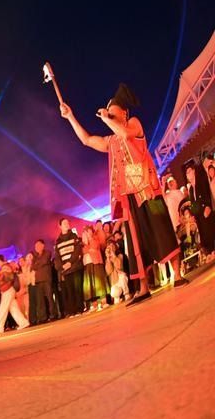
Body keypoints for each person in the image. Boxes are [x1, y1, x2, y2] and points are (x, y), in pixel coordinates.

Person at [60, 84, 186, 302]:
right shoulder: (111, 141)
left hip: (148, 190)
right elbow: (87, 140)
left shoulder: (133, 124)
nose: (109, 114)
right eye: (108, 112)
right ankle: (143, 287)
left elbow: (126, 134)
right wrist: (70, 117)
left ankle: (177, 274)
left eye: (113, 112)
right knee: (136, 242)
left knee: (161, 229)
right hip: (129, 197)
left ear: (124, 113)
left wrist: (106, 119)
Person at [53, 218, 84, 316]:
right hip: (66, 270)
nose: (67, 224)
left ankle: (80, 309)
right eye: (64, 223)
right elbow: (57, 256)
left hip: (75, 267)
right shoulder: (58, 241)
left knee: (78, 289)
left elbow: (77, 250)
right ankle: (73, 311)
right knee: (69, 291)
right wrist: (62, 267)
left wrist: (70, 262)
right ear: (60, 226)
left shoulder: (74, 236)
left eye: (67, 223)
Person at [0, 262, 30, 333]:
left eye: (6, 268)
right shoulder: (3, 273)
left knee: (3, 309)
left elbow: (5, 278)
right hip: (6, 291)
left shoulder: (8, 273)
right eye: (3, 268)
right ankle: (23, 322)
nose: (4, 269)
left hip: (8, 290)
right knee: (13, 309)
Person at [81, 226, 108, 312]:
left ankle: (104, 302)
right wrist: (87, 246)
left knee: (99, 283)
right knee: (91, 285)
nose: (87, 233)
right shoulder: (82, 243)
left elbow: (95, 247)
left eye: (89, 231)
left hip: (96, 262)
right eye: (85, 232)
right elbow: (84, 251)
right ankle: (94, 304)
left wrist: (90, 240)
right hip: (87, 264)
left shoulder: (95, 238)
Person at [31, 239, 57, 323]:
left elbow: (45, 261)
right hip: (38, 280)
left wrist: (37, 264)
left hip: (46, 278)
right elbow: (33, 267)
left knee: (50, 297)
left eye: (38, 245)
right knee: (40, 300)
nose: (36, 247)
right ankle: (43, 317)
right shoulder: (35, 257)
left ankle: (53, 314)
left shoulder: (47, 253)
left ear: (43, 245)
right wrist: (38, 263)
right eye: (35, 246)